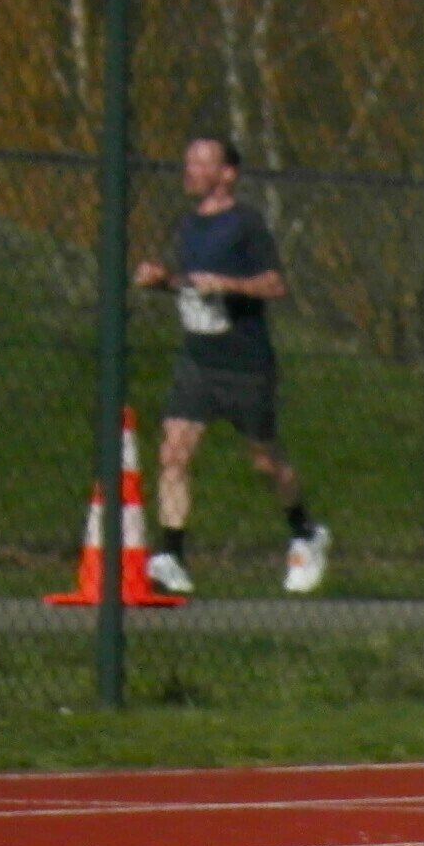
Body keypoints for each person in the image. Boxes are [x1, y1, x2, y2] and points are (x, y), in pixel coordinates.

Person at [133, 134, 327, 596]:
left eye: (202, 163)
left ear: (227, 174)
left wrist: (226, 282)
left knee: (264, 459)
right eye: (188, 162)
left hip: (244, 362)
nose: (190, 171)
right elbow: (192, 286)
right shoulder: (187, 226)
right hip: (198, 359)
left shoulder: (246, 225)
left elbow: (274, 284)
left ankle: (305, 532)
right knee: (173, 453)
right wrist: (163, 281)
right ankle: (172, 556)